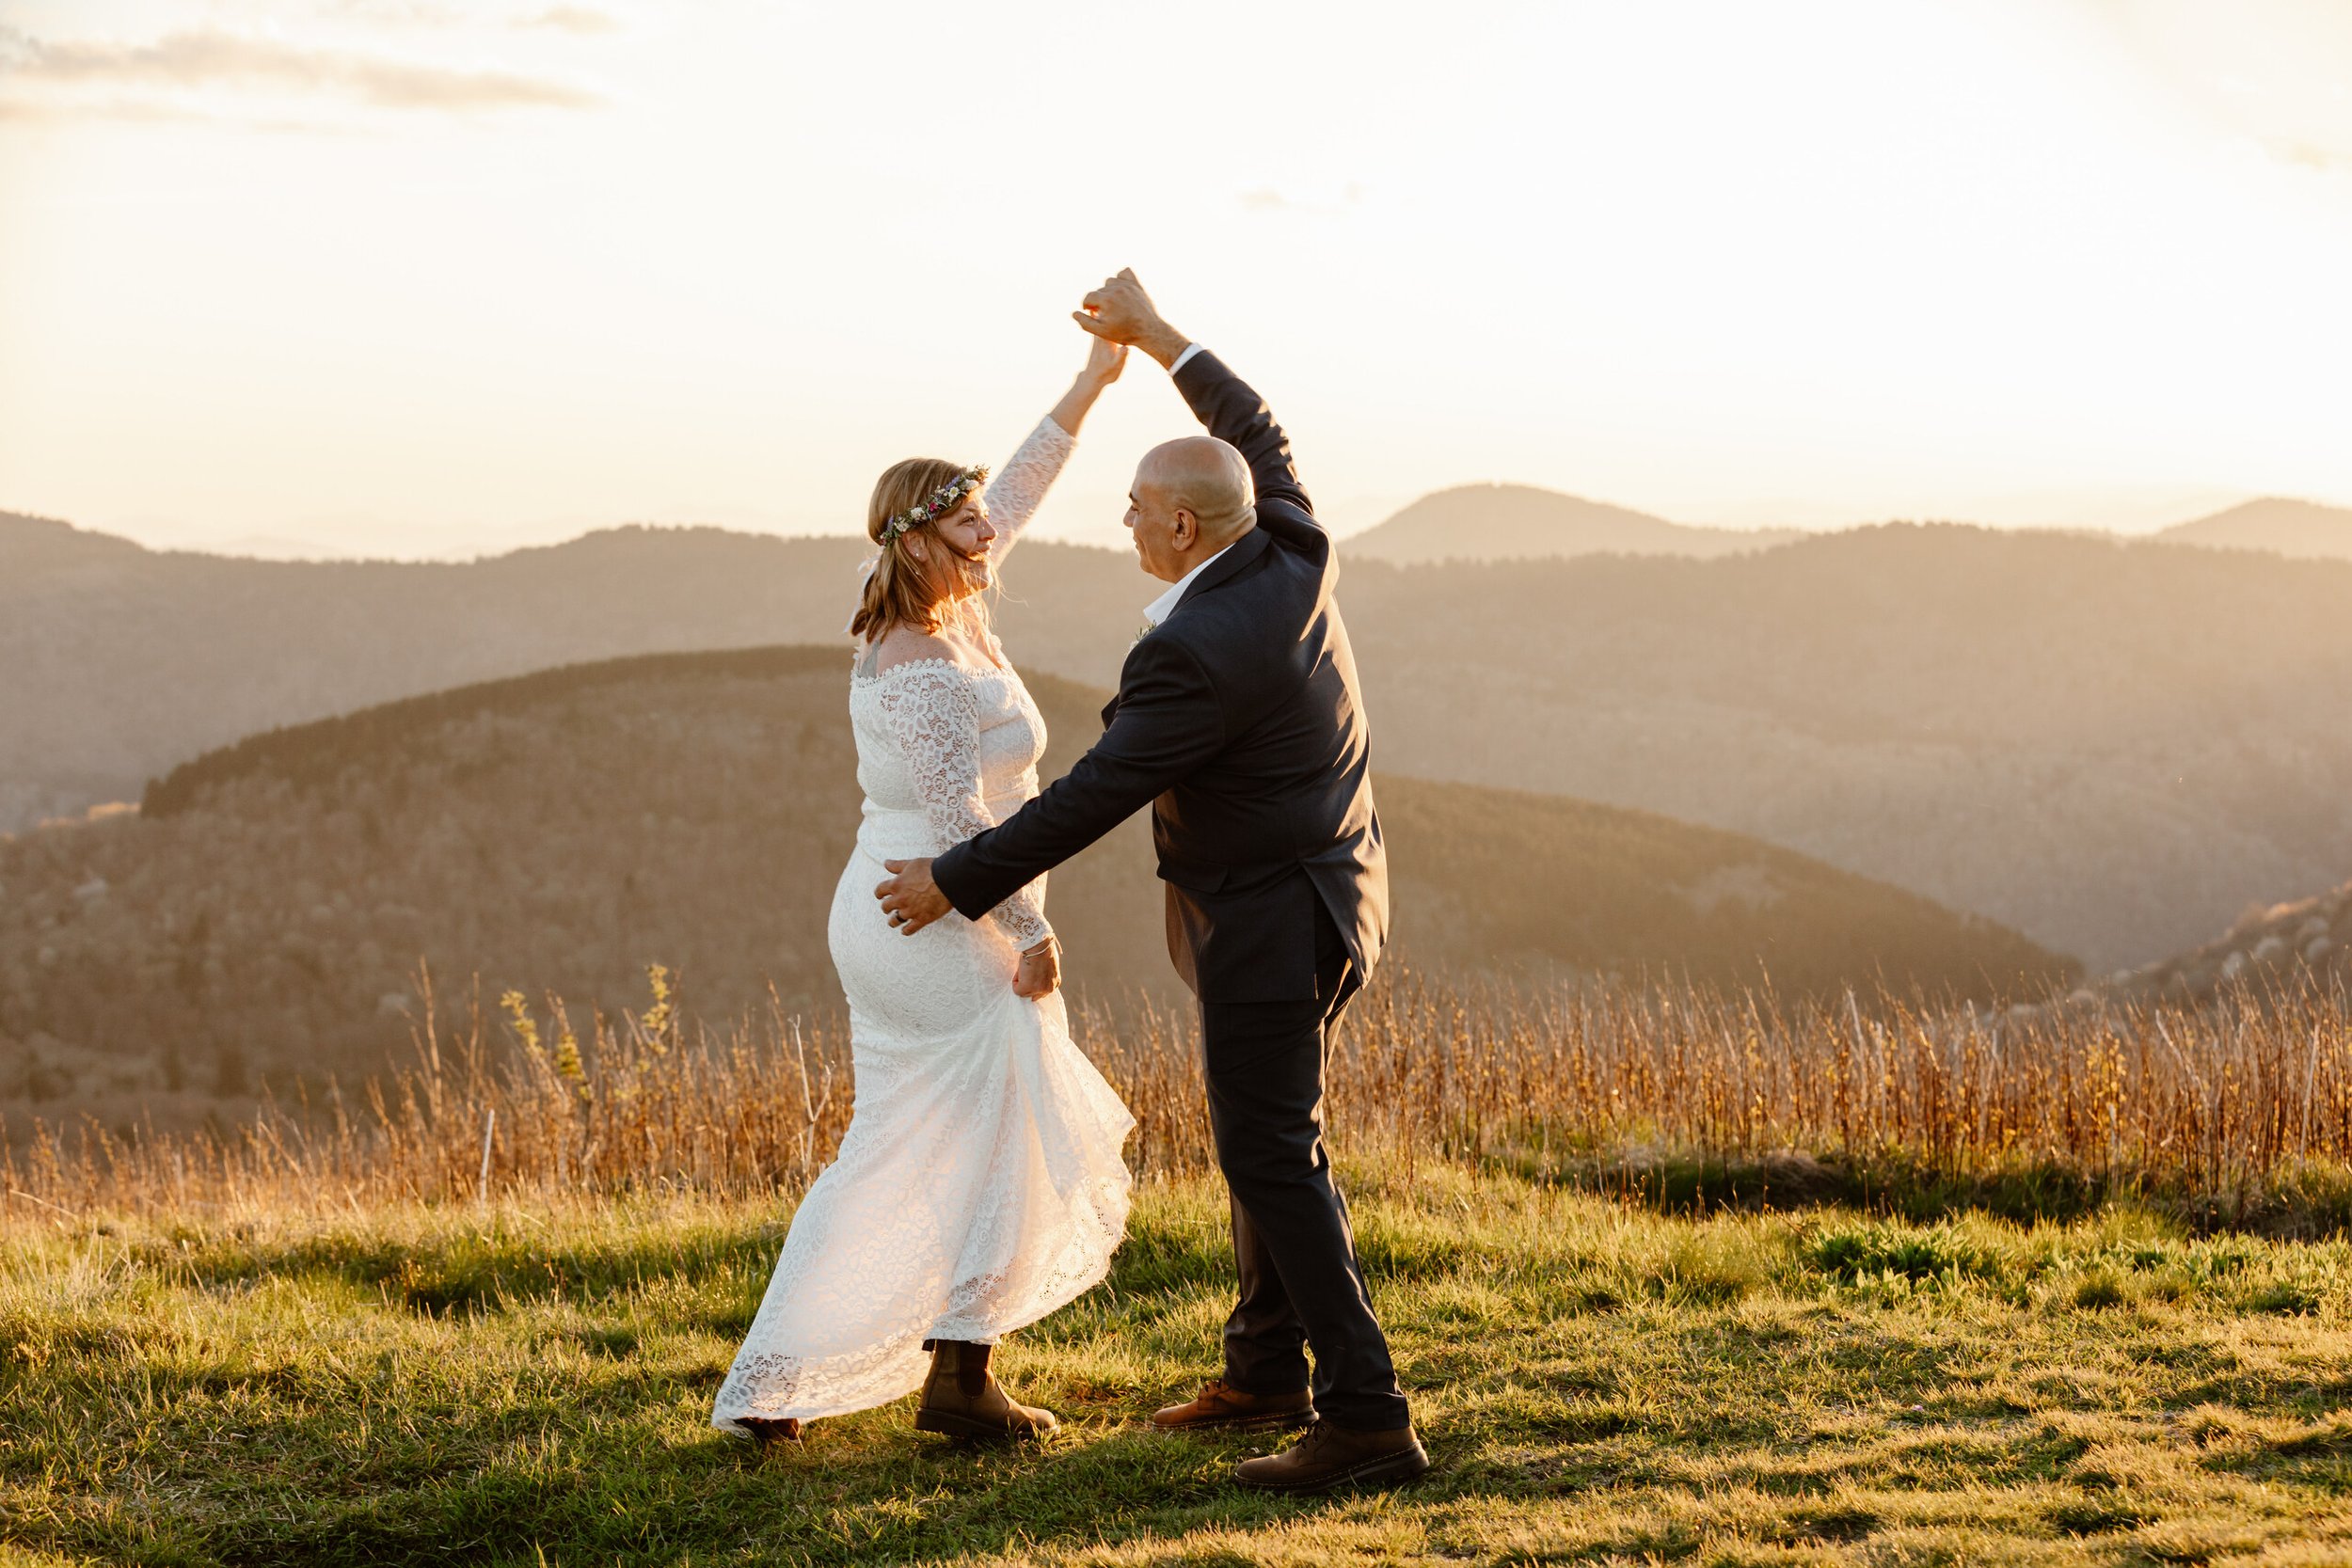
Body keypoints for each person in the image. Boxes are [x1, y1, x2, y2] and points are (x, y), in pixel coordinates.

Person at [876, 271, 1424, 1494]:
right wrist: (1157, 336)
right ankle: (1267, 1369)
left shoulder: (1195, 649)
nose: (1121, 521)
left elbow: (1092, 791)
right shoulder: (1285, 538)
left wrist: (953, 881)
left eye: (1134, 507)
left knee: (1275, 1150)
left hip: (1275, 919)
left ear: (1182, 527)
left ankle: (1368, 1415)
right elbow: (1259, 431)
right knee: (1274, 1142)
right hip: (1342, 887)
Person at [711, 332, 1136, 1447]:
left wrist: (1090, 384)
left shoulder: (940, 601)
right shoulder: (926, 661)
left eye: (984, 515)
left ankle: (783, 1381)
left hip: (915, 902)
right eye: (967, 521)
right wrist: (1032, 929)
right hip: (933, 908)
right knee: (997, 1133)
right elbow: (963, 825)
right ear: (919, 537)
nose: (990, 530)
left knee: (904, 1141)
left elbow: (1020, 487)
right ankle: (953, 1381)